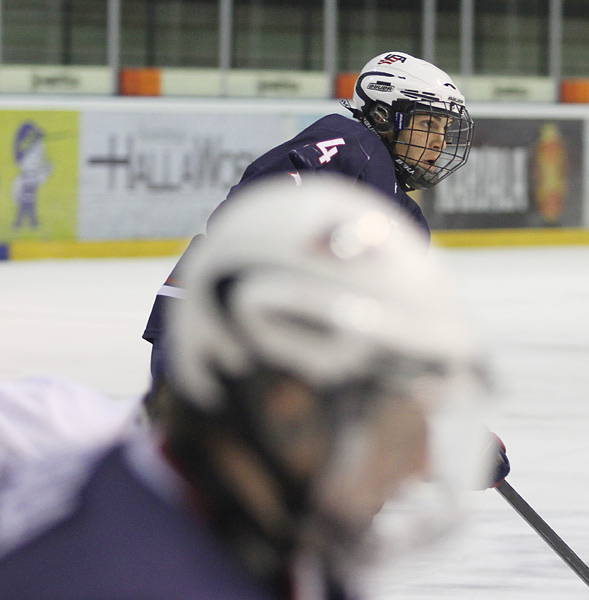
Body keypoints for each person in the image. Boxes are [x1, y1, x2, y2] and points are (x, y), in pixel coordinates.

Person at [0, 177, 495, 600]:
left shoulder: (222, 519)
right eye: (395, 425)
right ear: (287, 409)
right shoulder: (129, 575)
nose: (422, 463)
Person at [142, 51, 474, 379]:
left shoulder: (406, 216)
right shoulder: (354, 145)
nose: (439, 142)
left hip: (268, 349)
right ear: (385, 117)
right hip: (215, 324)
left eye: (444, 128)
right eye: (428, 123)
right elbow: (243, 212)